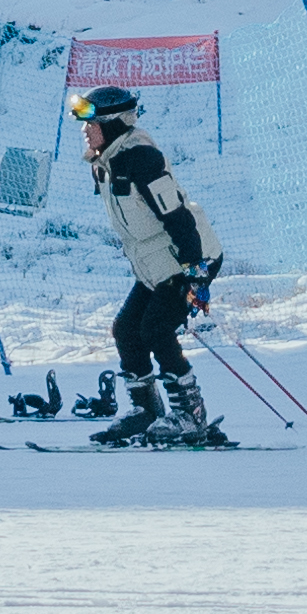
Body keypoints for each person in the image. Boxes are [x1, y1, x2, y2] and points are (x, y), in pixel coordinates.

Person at [72, 84, 228, 447]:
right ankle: (147, 410)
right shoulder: (106, 162)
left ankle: (190, 416)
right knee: (127, 329)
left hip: (187, 256)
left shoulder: (140, 157)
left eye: (89, 121)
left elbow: (177, 217)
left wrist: (196, 274)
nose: (83, 129)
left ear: (111, 124)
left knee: (157, 329)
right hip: (154, 264)